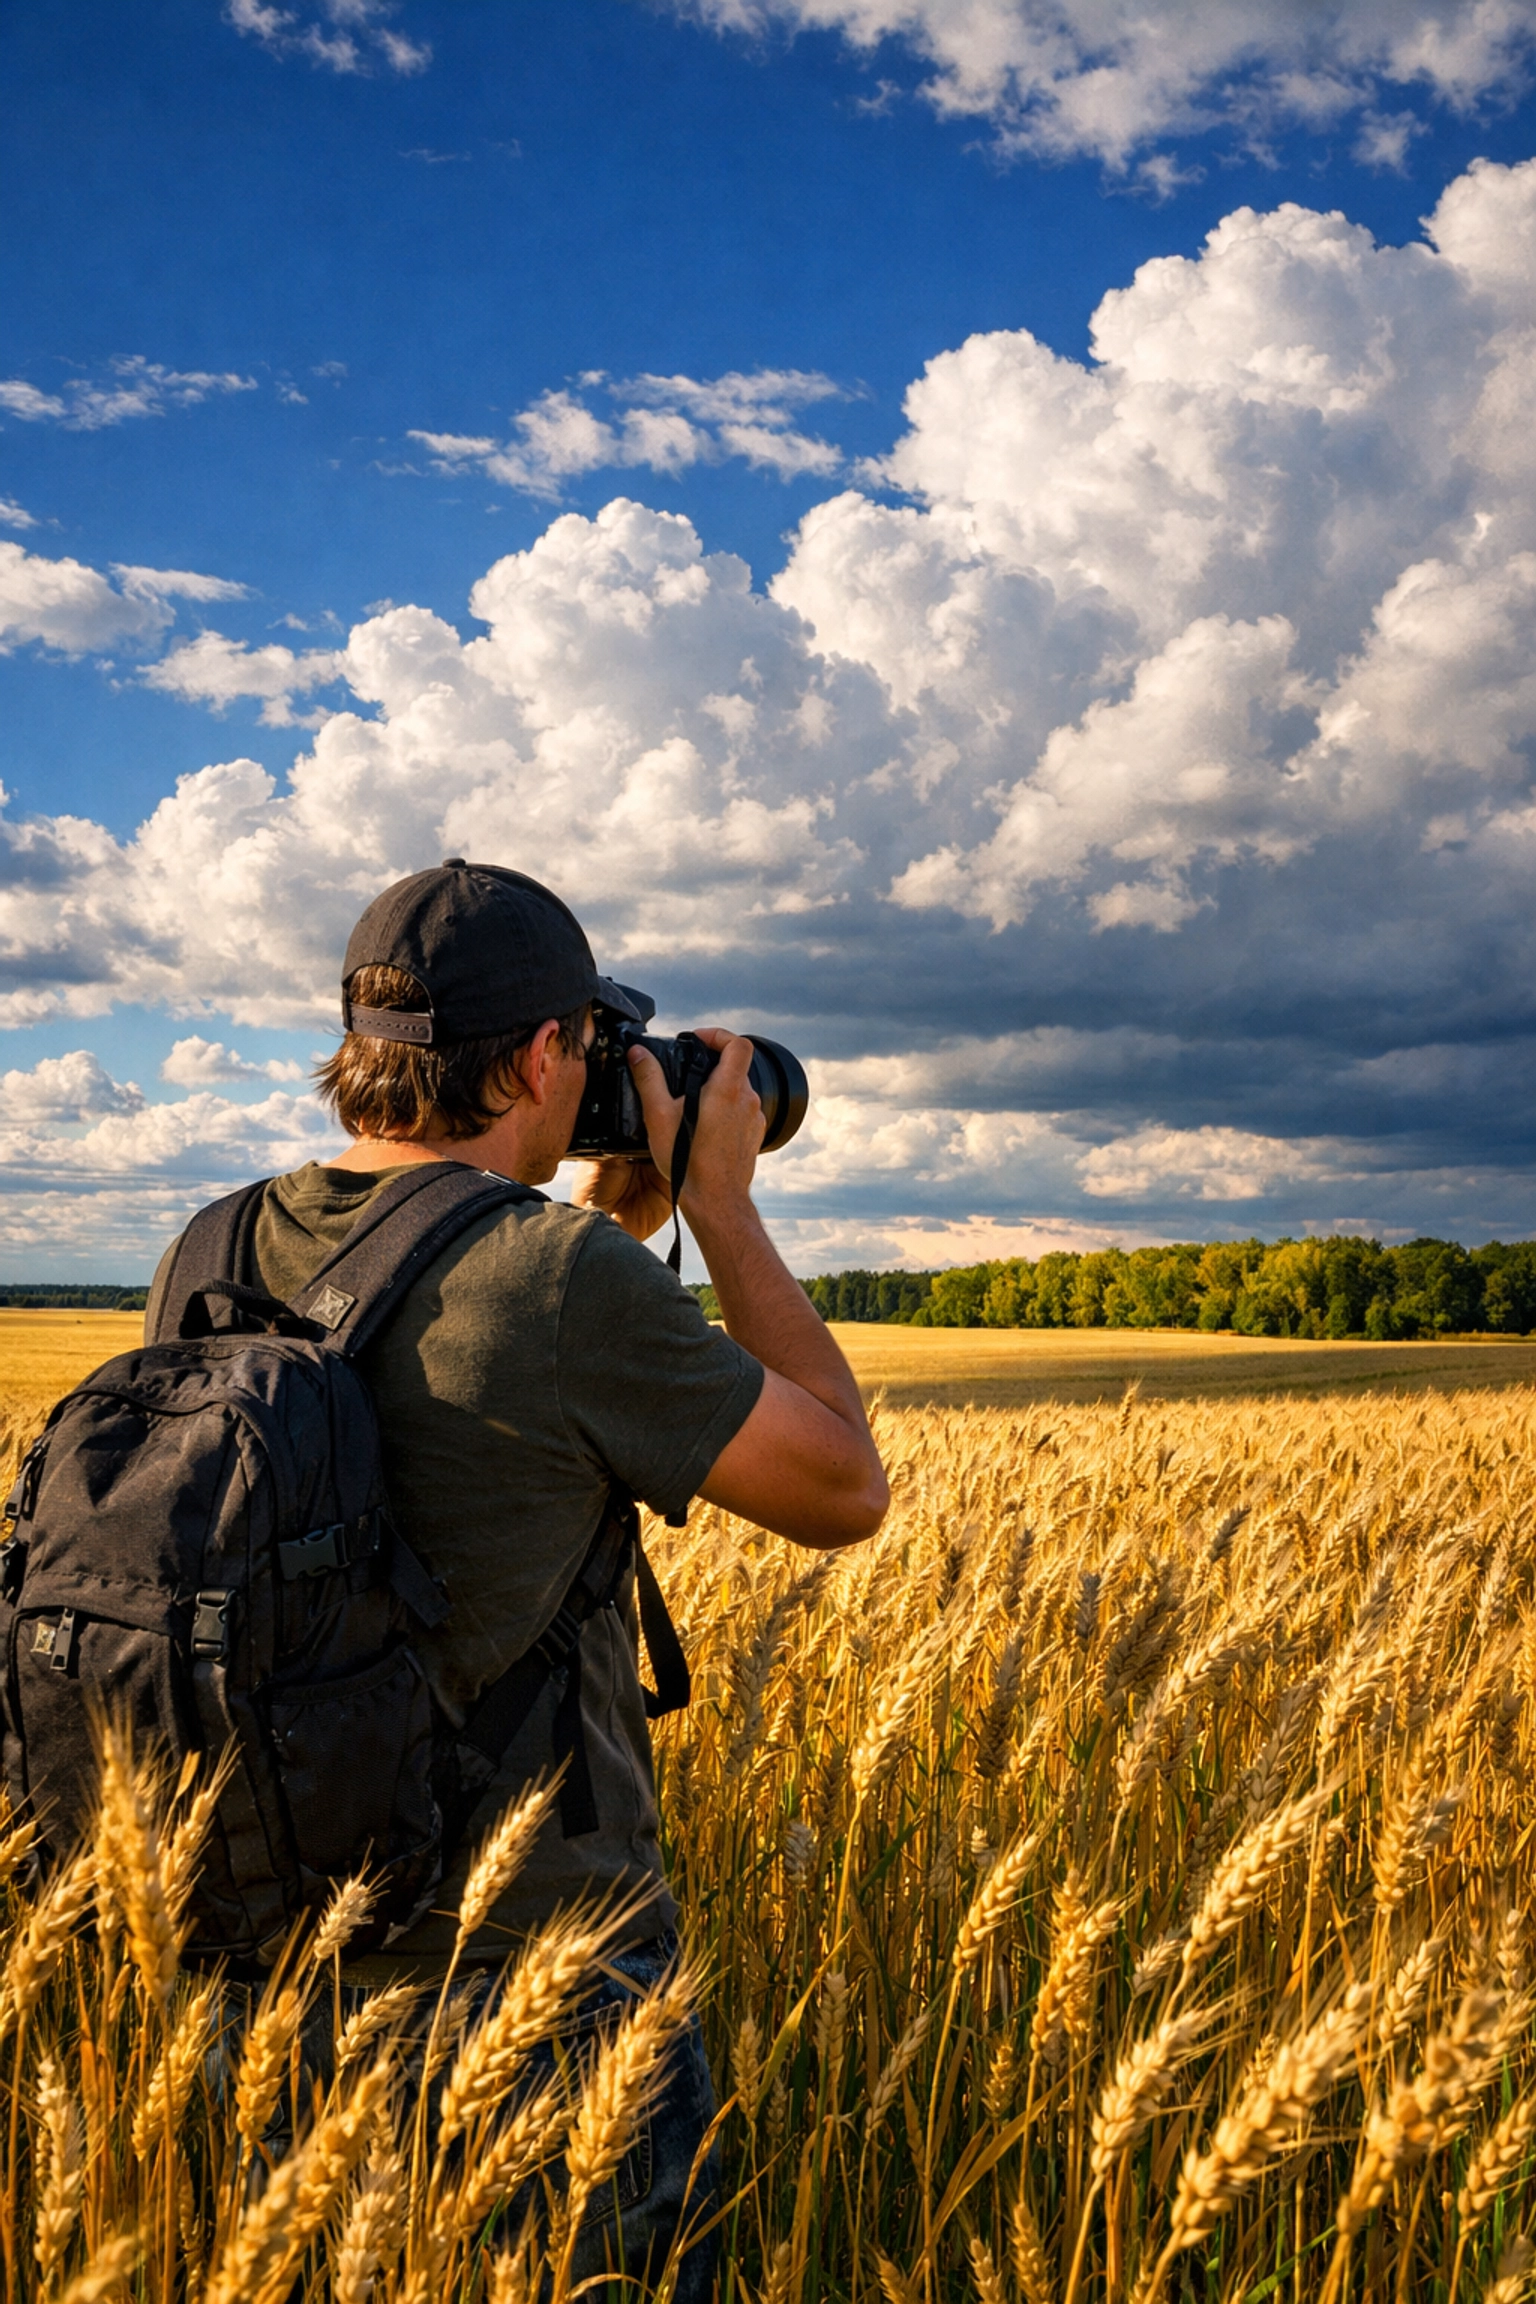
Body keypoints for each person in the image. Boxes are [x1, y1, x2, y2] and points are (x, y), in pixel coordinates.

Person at [146, 858, 889, 2295]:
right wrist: (715, 1206)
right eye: (597, 1049)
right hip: (530, 2009)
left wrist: (599, 1221)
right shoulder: (559, 1282)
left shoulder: (209, 1244)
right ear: (549, 1052)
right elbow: (842, 1488)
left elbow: (425, 1362)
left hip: (253, 1994)